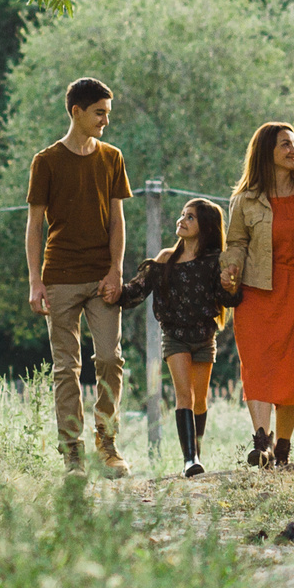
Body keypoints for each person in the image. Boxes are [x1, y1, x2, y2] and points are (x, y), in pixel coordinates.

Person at [25, 77, 132, 475]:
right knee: (65, 368)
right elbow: (34, 224)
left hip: (102, 278)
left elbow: (118, 221)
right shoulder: (47, 161)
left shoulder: (112, 158)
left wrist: (116, 270)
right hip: (60, 278)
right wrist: (36, 281)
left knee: (109, 359)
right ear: (77, 112)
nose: (105, 120)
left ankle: (107, 444)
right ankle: (72, 452)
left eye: (107, 113)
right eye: (99, 113)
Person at [220, 121, 294, 469]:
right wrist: (230, 271)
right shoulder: (245, 199)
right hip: (258, 291)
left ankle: (283, 450)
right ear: (265, 153)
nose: (293, 150)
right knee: (258, 367)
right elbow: (236, 243)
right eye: (285, 144)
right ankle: (261, 445)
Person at [116, 196, 240, 479]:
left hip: (204, 337)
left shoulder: (213, 262)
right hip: (175, 338)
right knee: (184, 395)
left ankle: (196, 452)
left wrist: (228, 284)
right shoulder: (164, 260)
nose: (181, 220)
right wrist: (115, 292)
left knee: (200, 400)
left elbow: (228, 299)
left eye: (190, 217)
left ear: (205, 226)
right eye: (182, 215)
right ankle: (190, 460)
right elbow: (136, 291)